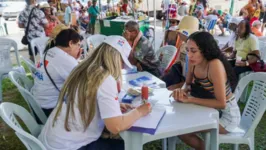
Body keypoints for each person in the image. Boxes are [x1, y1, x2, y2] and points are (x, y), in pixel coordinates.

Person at [38, 35, 151, 150]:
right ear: (116, 59)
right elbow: (116, 126)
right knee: (126, 146)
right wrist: (140, 111)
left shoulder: (82, 67)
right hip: (69, 146)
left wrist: (114, 106)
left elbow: (86, 99)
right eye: (122, 63)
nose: (121, 67)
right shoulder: (105, 78)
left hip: (52, 140)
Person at [172, 31, 240, 150]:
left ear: (205, 50)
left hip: (227, 117)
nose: (189, 55)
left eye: (193, 51)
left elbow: (221, 103)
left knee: (181, 129)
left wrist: (191, 100)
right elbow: (187, 85)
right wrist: (182, 91)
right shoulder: (194, 62)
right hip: (211, 110)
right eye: (188, 50)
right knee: (178, 121)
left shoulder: (214, 65)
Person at [32, 29, 82, 117]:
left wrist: (74, 60)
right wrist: (74, 61)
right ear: (70, 43)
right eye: (78, 45)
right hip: (50, 109)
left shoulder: (50, 51)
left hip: (37, 105)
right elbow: (83, 83)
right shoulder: (66, 60)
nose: (79, 48)